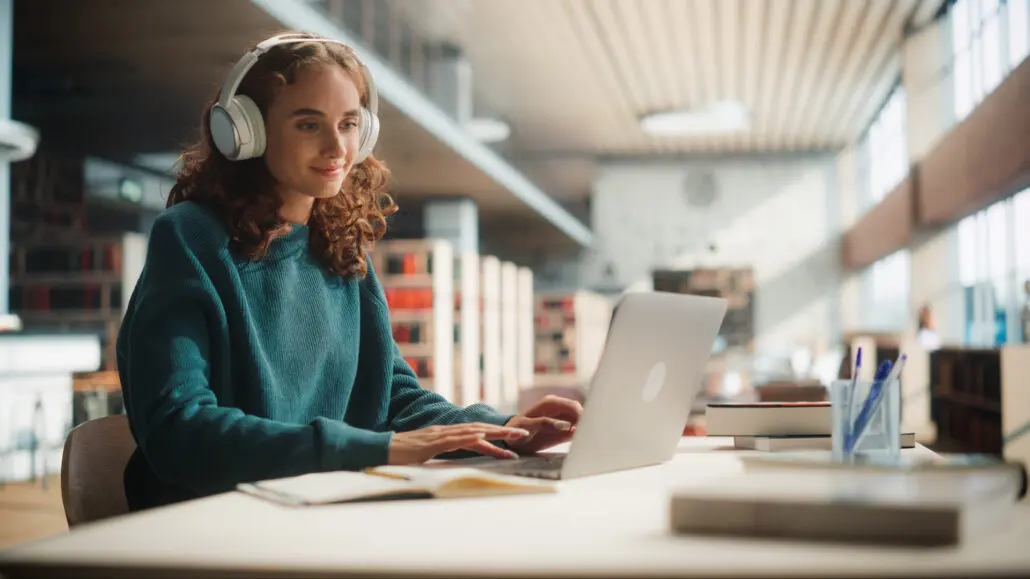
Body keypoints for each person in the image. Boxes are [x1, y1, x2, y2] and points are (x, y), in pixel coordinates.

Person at [117, 31, 582, 512]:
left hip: (312, 507)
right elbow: (179, 427)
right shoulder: (191, 238)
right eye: (307, 125)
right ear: (245, 131)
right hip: (210, 518)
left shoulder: (338, 247)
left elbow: (393, 400)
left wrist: (503, 430)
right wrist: (374, 449)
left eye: (348, 124)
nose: (336, 146)